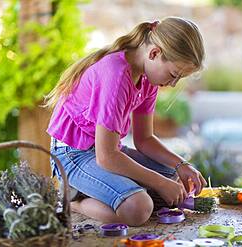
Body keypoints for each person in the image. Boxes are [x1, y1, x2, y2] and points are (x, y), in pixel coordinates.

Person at [45, 16, 207, 226]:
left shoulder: (148, 78)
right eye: (173, 74)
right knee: (139, 208)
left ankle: (101, 190)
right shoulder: (115, 76)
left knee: (173, 176)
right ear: (154, 53)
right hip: (72, 154)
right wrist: (159, 183)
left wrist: (182, 165)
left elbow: (145, 139)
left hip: (104, 151)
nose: (173, 84)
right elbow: (107, 157)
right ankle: (71, 200)